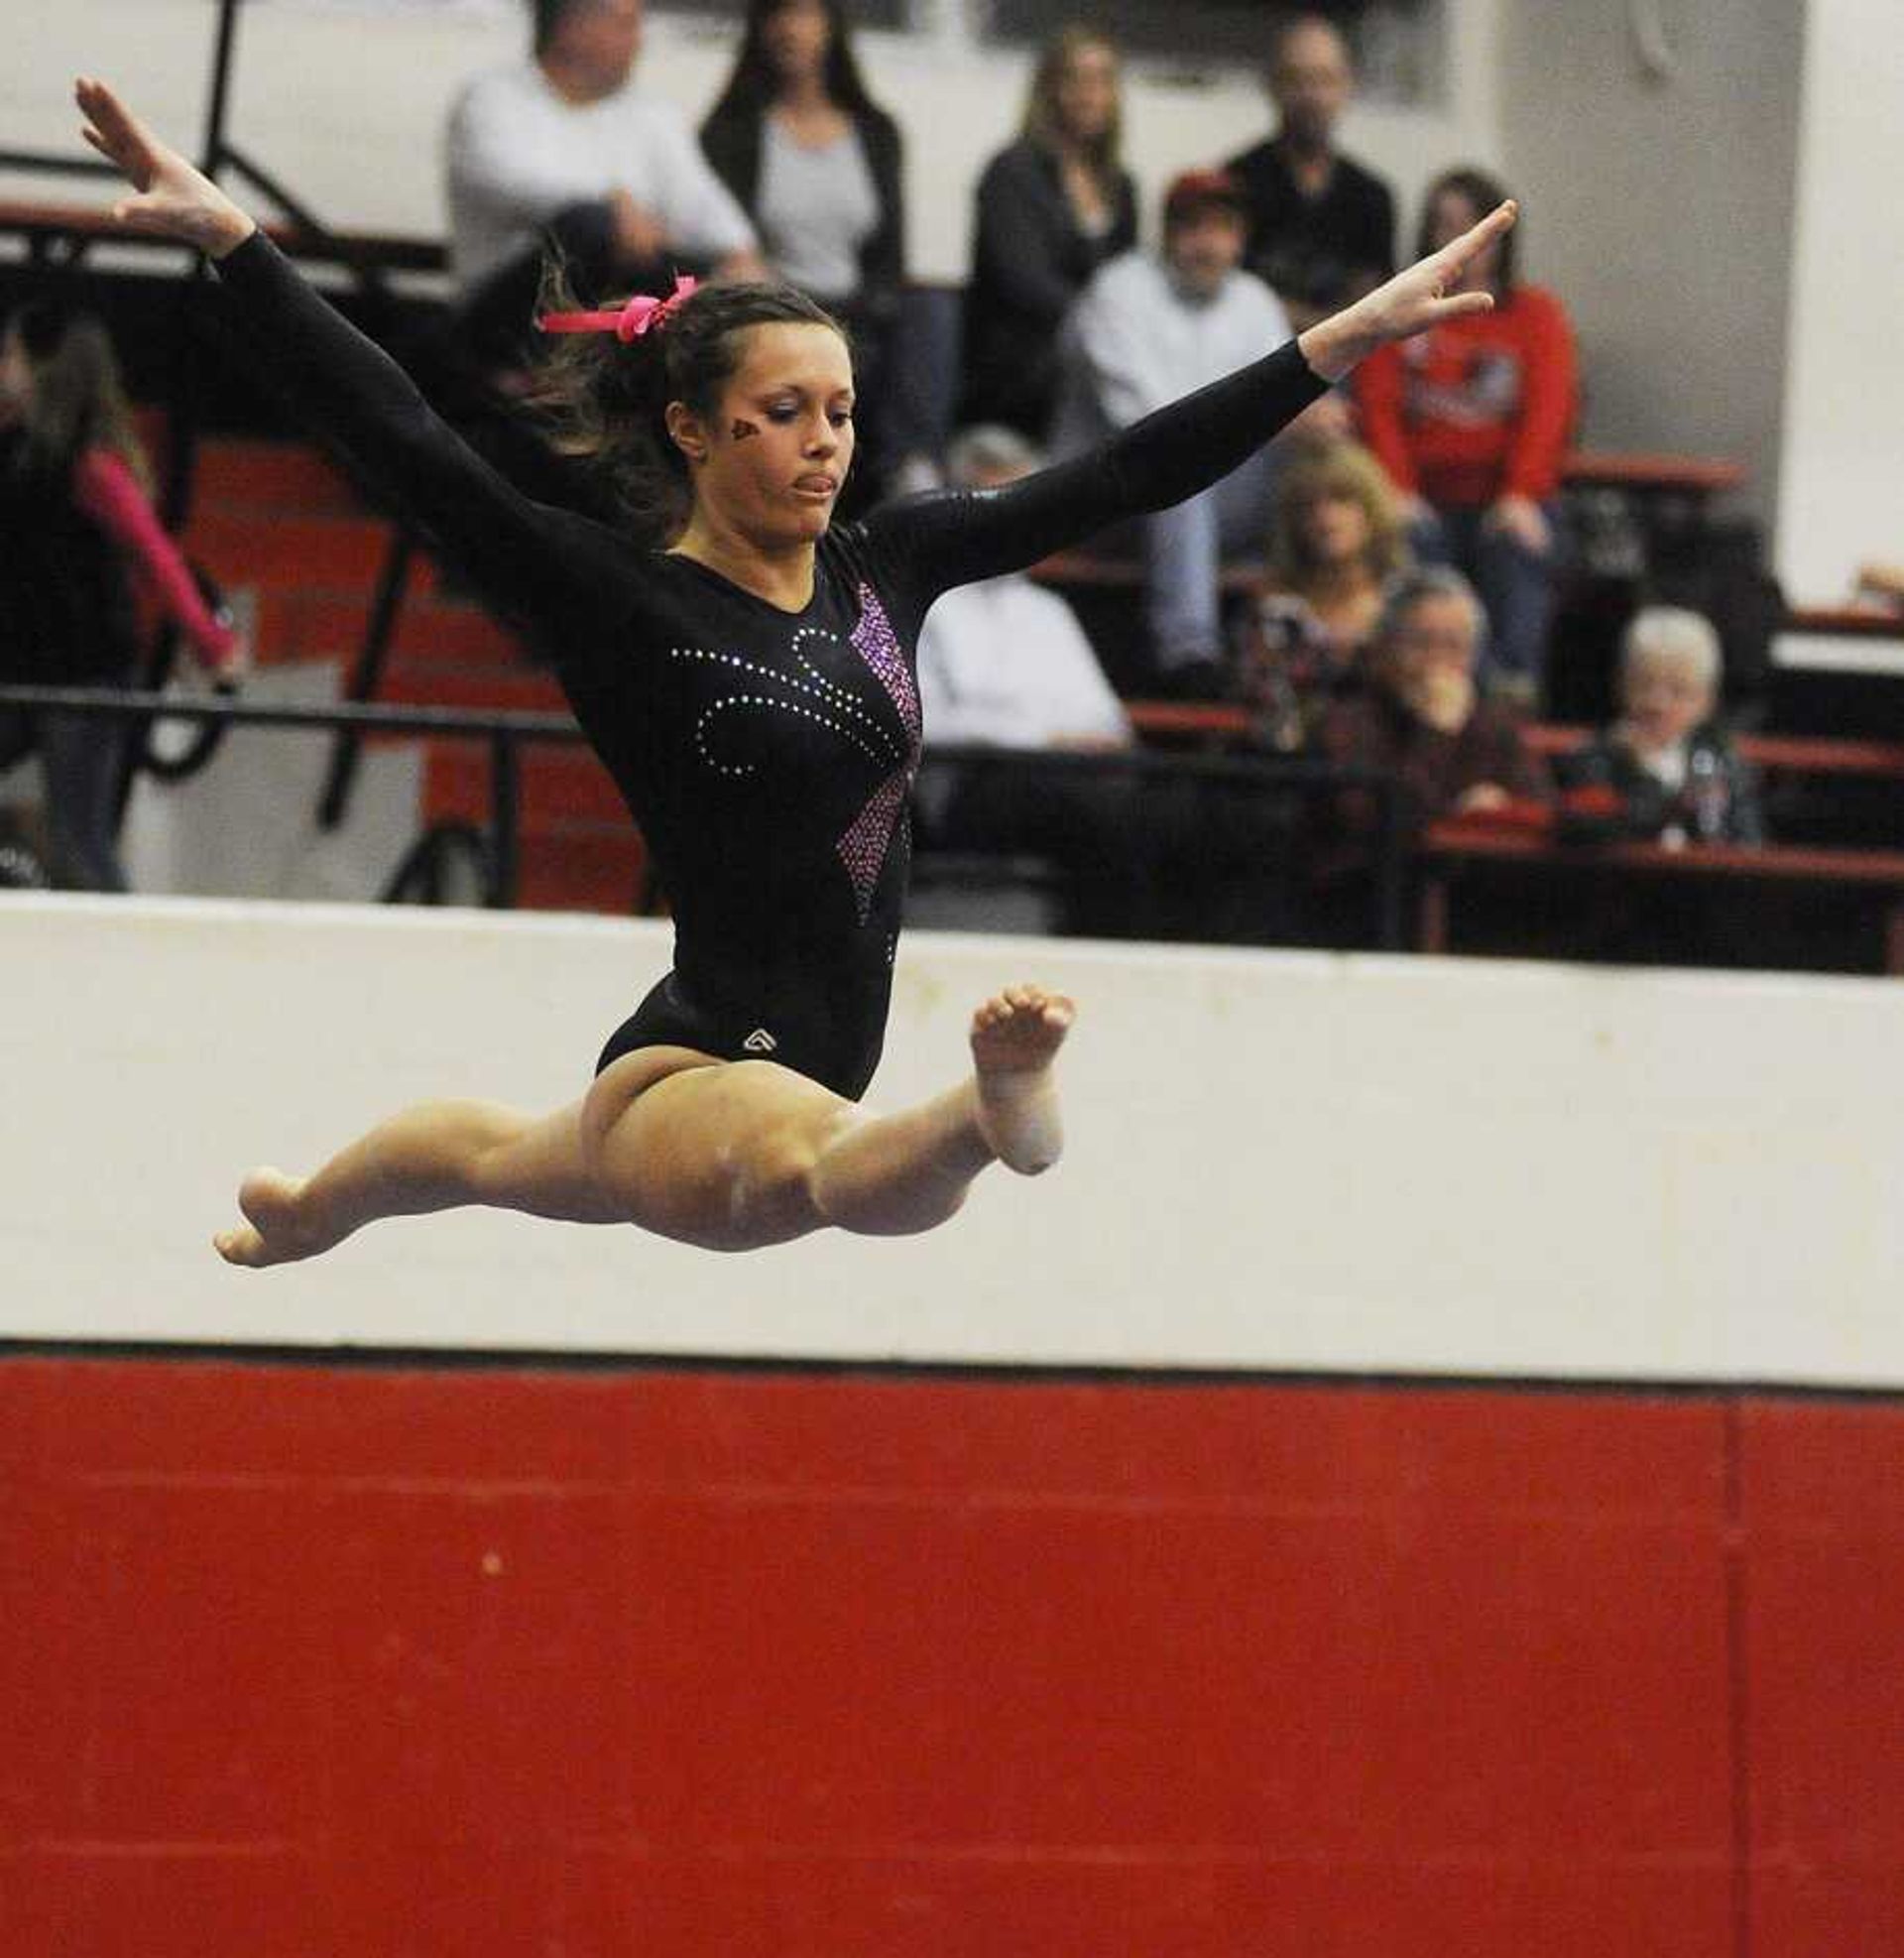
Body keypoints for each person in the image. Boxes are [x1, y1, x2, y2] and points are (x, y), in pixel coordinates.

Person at [73, 74, 1513, 1269]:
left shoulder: (889, 566)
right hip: (698, 1078)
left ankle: (316, 1209)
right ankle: (989, 1107)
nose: (827, 439)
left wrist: (1336, 343)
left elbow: (1127, 473)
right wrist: (237, 247)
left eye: (838, 408)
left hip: (783, 1075)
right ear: (696, 432)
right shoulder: (619, 598)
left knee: (500, 1154)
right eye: (783, 412)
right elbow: (410, 445)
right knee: (818, 1168)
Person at [0, 297, 242, 893]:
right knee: (73, 833)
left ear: (43, 367)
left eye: (8, 355)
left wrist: (212, 644)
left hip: (87, 675)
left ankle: (128, 951)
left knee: (79, 837)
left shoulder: (92, 467)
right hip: (25, 668)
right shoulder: (12, 450)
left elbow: (158, 558)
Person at [1051, 166, 1302, 695]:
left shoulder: (1254, 301)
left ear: (1240, 238)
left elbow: (1282, 410)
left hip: (1216, 487)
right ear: (1167, 233)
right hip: (1107, 498)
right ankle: (1189, 655)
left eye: (1222, 229)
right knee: (1181, 472)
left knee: (1326, 463)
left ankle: (1322, 651)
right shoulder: (1118, 291)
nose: (1207, 244)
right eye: (1193, 228)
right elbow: (1148, 426)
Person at [445, 0, 763, 377]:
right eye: (625, 25)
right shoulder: (494, 98)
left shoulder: (650, 115)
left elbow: (695, 198)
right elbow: (501, 179)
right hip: (507, 314)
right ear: (571, 28)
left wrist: (738, 250)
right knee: (592, 228)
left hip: (619, 308)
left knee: (712, 282)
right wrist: (612, 202)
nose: (638, 41)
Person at [1352, 167, 1576, 700]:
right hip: (1420, 499)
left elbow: (1549, 412)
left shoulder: (1536, 314)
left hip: (1508, 498)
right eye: (1442, 225)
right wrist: (1398, 490)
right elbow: (1377, 407)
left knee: (1517, 545)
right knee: (1409, 544)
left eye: (1469, 224)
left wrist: (1520, 494)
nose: (1457, 239)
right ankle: (1443, 691)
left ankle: (1508, 693)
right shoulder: (1398, 306)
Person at [913, 425, 1146, 935]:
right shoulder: (923, 602)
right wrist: (1043, 737)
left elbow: (1105, 720)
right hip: (965, 788)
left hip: (1063, 776)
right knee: (1089, 804)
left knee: (1165, 801)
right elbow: (927, 723)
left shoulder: (1048, 609)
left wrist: (1061, 741)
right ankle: (1106, 940)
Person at [699, 0, 904, 500]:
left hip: (857, 318)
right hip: (772, 316)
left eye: (806, 15)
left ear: (831, 26)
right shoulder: (732, 132)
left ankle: (908, 471)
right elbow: (720, 245)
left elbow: (889, 260)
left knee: (924, 321)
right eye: (780, 17)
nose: (792, 30)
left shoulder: (876, 133)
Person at [960, 25, 1137, 445]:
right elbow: (1023, 282)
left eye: (1101, 80)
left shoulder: (1121, 184)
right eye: (1075, 78)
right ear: (1049, 89)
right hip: (1025, 362)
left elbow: (1130, 279)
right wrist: (1103, 323)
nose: (1088, 93)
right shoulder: (1011, 172)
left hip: (1101, 354)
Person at [1318, 566, 1551, 821]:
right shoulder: (1348, 723)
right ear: (1383, 648)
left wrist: (1503, 808)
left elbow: (1542, 808)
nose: (1437, 660)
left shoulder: (1493, 723)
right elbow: (1373, 827)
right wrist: (1435, 733)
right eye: (1421, 642)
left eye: (1454, 645)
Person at [1234, 435, 1408, 748]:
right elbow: (1271, 708)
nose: (1324, 517)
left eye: (1341, 499)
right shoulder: (1275, 609)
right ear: (1292, 522)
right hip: (1304, 769)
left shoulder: (1409, 599)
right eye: (1309, 506)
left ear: (1371, 510)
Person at [1226, 11, 1396, 325]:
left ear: (1347, 85)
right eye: (1297, 79)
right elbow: (1227, 298)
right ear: (1272, 85)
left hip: (1347, 364)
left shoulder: (1371, 197)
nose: (1311, 96)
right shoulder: (1233, 184)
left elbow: (1374, 304)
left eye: (1324, 79)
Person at [1555, 605, 1764, 848]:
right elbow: (1599, 834)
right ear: (1621, 685)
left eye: (1678, 691)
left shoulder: (1723, 762)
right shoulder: (1592, 758)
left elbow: (1748, 845)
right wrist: (1641, 771)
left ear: (1706, 701)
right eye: (1644, 685)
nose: (1658, 704)